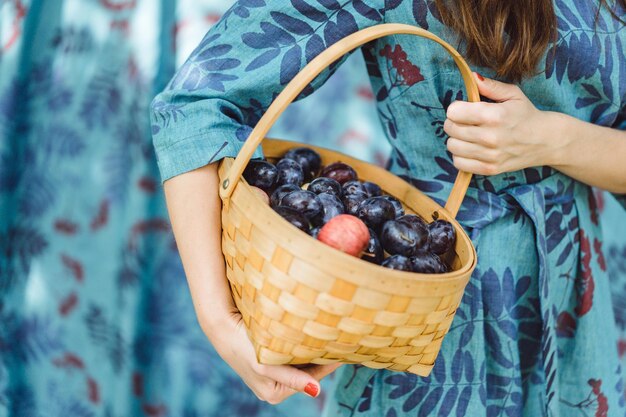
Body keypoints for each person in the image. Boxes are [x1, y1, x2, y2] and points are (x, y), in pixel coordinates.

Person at [152, 0, 626, 415]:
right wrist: (218, 319)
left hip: (578, 301)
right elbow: (197, 103)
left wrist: (558, 140)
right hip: (429, 295)